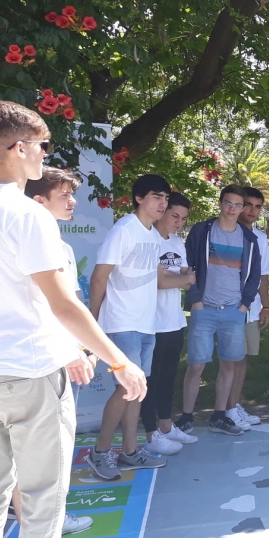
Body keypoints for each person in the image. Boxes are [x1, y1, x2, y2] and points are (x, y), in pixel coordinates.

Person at [0, 100, 144, 538]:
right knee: (42, 506)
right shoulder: (26, 214)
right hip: (31, 374)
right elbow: (63, 304)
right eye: (41, 145)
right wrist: (119, 361)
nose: (45, 154)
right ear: (18, 148)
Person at [22, 167, 96, 538]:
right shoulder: (28, 243)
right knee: (44, 451)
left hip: (68, 357)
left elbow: (74, 304)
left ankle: (55, 519)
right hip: (43, 361)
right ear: (39, 201)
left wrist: (84, 346)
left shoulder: (62, 246)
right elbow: (47, 309)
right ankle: (45, 533)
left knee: (61, 445)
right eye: (64, 195)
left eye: (72, 194)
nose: (73, 202)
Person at [87, 173, 172, 480]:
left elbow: (156, 278)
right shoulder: (124, 229)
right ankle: (99, 452)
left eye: (165, 198)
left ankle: (130, 452)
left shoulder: (153, 235)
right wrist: (91, 325)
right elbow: (99, 278)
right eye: (156, 197)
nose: (162, 204)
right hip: (121, 323)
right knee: (126, 388)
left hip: (146, 324)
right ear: (139, 198)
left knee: (137, 389)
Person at [180, 185, 262, 435]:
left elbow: (254, 275)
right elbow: (187, 265)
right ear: (220, 203)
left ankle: (219, 416)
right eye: (228, 203)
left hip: (233, 311)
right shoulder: (202, 231)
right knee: (196, 365)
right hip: (204, 309)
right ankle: (186, 418)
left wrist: (244, 305)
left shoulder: (249, 239)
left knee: (229, 365)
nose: (232, 209)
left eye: (238, 205)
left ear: (243, 208)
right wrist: (195, 300)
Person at [141, 192, 198, 452]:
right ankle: (150, 433)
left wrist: (178, 277)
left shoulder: (176, 242)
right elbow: (160, 281)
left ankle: (166, 425)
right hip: (151, 323)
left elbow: (187, 275)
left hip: (175, 321)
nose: (178, 222)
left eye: (183, 219)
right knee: (150, 380)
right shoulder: (148, 239)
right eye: (175, 216)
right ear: (162, 211)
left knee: (168, 376)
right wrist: (179, 278)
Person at [226, 186, 269, 428]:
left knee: (242, 359)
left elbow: (263, 274)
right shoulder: (226, 232)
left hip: (251, 308)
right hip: (228, 305)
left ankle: (234, 405)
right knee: (231, 359)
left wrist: (266, 306)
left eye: (258, 207)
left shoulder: (260, 238)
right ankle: (225, 409)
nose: (253, 211)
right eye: (248, 205)